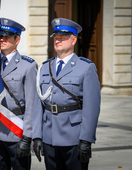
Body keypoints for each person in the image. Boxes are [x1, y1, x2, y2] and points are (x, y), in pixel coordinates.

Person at [32, 18, 101, 170]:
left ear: (73, 40)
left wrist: (86, 140)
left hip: (74, 137)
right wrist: (37, 136)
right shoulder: (44, 67)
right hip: (49, 137)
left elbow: (92, 108)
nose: (58, 40)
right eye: (56, 37)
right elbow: (38, 105)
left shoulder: (86, 68)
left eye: (62, 37)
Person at [0, 18, 38, 170]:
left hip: (17, 131)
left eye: (7, 36)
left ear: (17, 40)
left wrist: (28, 137)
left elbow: (31, 104)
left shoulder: (28, 66)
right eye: (0, 36)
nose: (2, 39)